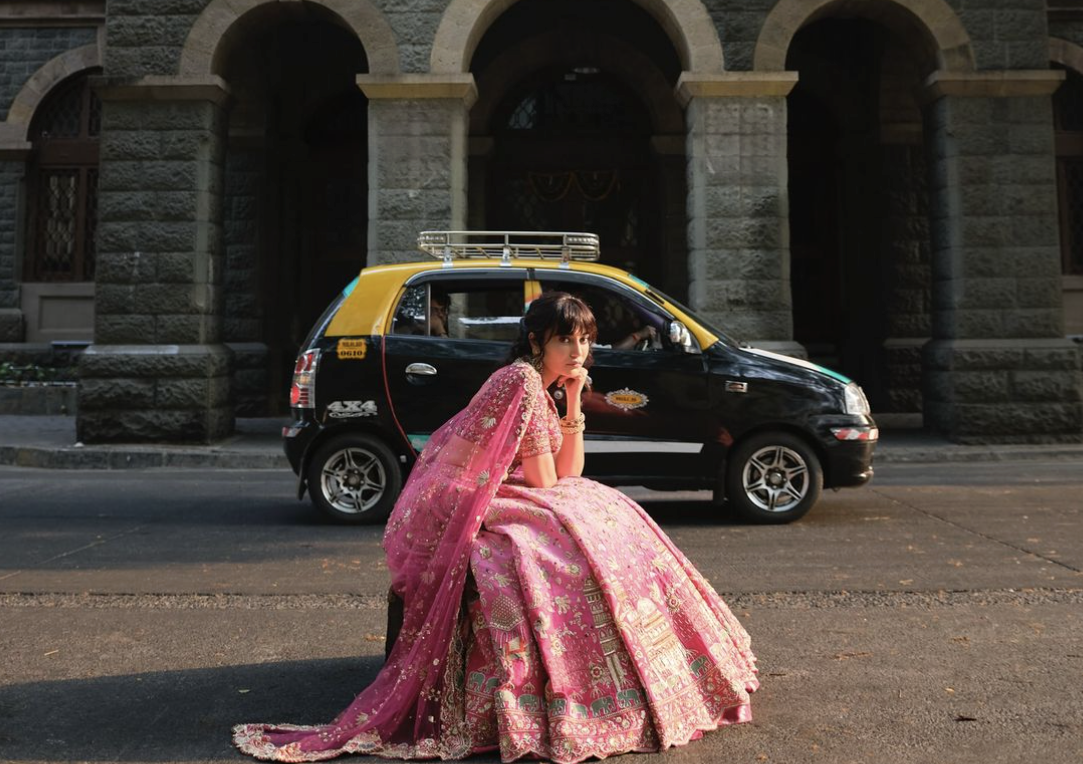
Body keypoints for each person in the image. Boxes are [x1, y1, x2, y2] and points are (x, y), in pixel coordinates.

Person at [233, 292, 758, 763]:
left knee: (607, 515)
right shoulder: (522, 382)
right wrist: (565, 415)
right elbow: (547, 479)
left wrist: (575, 399)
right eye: (565, 340)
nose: (578, 351)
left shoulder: (544, 386)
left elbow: (568, 471)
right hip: (469, 501)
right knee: (569, 539)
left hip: (504, 487)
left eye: (585, 340)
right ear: (536, 342)